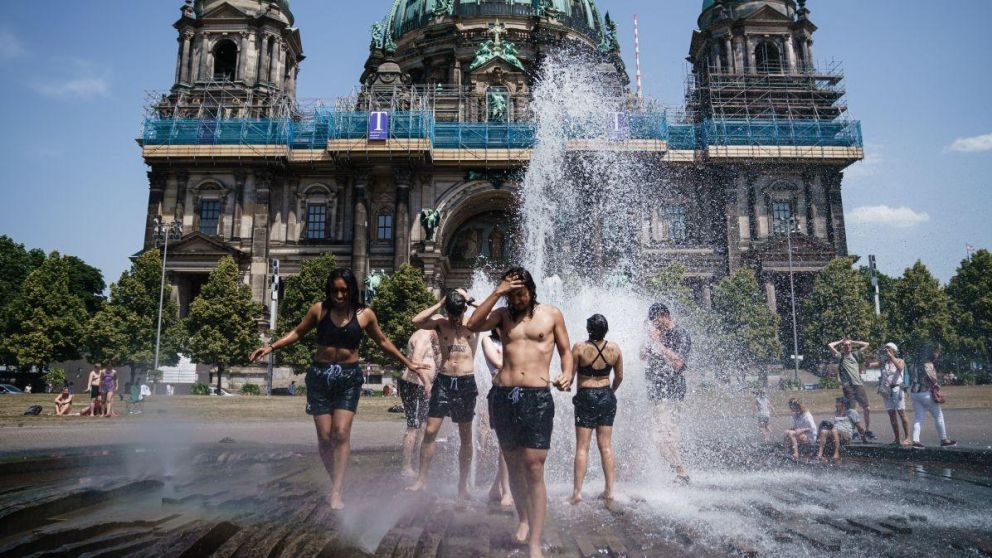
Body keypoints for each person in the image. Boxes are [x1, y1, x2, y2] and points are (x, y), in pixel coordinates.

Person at [249, 268, 430, 510]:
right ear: (329, 290)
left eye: (344, 290)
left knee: (341, 433)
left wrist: (407, 362)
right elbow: (298, 332)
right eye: (335, 290)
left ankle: (336, 492)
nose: (339, 295)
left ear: (351, 290)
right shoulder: (319, 309)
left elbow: (383, 341)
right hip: (320, 376)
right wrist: (271, 347)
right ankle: (338, 481)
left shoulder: (364, 315)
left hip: (348, 377)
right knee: (325, 439)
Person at [467, 267, 573, 558]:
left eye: (520, 293)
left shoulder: (551, 314)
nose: (516, 299)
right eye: (511, 295)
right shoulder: (502, 314)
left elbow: (566, 352)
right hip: (503, 396)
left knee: (534, 468)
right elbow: (473, 324)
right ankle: (523, 519)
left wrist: (567, 374)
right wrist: (497, 292)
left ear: (531, 289)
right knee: (513, 465)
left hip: (536, 397)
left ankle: (535, 543)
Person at [407, 290, 480, 501]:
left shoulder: (473, 323)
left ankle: (462, 486)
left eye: (457, 314)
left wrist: (471, 303)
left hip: (466, 382)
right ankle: (421, 481)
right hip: (444, 380)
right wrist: (439, 303)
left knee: (466, 435)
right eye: (451, 313)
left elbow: (492, 316)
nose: (454, 319)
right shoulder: (441, 322)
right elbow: (416, 320)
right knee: (429, 430)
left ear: (464, 310)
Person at [568, 314, 623, 506]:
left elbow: (570, 375)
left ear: (588, 329)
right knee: (606, 446)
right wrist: (610, 393)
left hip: (586, 395)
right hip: (607, 396)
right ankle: (609, 491)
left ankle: (576, 493)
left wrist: (566, 386)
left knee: (582, 447)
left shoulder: (580, 348)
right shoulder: (614, 348)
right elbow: (619, 377)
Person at [640, 302, 692, 484]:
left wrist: (658, 344)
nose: (653, 325)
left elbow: (679, 364)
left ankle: (681, 473)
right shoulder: (657, 335)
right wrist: (648, 342)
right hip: (656, 392)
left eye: (655, 321)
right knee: (659, 437)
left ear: (664, 316)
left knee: (666, 436)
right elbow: (641, 357)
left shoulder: (681, 334)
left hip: (671, 392)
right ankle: (678, 472)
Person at [399, 328, 439, 478]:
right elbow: (415, 362)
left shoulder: (430, 339)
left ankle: (417, 462)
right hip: (414, 384)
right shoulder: (423, 336)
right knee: (413, 426)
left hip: (422, 386)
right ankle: (406, 466)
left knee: (423, 426)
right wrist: (427, 382)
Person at [482, 328, 513, 507]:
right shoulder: (488, 341)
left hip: (517, 391)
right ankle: (506, 492)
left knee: (512, 445)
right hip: (500, 393)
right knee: (505, 445)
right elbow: (499, 363)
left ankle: (495, 488)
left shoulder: (514, 339)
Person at [827, 337, 875, 441]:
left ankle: (867, 430)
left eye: (849, 345)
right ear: (842, 347)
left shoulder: (855, 354)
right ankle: (853, 431)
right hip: (848, 386)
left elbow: (866, 344)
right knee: (852, 410)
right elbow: (830, 345)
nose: (847, 346)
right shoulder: (840, 356)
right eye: (845, 345)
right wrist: (840, 341)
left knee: (867, 408)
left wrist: (852, 341)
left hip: (858, 385)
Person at [910, 345, 956, 449]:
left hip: (914, 393)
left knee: (918, 418)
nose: (937, 354)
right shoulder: (928, 364)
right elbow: (933, 379)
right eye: (936, 352)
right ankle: (944, 439)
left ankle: (915, 441)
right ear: (931, 353)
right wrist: (937, 385)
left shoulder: (914, 364)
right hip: (925, 393)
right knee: (938, 416)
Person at [874, 343, 910, 447]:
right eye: (885, 348)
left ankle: (908, 438)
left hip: (897, 389)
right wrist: (868, 359)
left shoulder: (900, 360)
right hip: (886, 390)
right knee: (891, 414)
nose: (886, 350)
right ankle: (897, 438)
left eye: (888, 348)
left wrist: (891, 357)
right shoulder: (884, 362)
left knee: (901, 413)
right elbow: (869, 365)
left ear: (894, 350)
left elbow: (900, 367)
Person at [816, 396, 866, 464]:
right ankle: (820, 454)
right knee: (823, 431)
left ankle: (836, 453)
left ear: (843, 404)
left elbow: (859, 428)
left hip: (846, 435)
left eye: (837, 402)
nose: (835, 404)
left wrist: (863, 439)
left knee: (834, 430)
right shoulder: (836, 412)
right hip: (835, 433)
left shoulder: (852, 412)